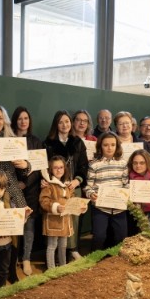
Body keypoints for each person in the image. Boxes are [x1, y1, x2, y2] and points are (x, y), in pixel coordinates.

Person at [0, 105, 31, 283]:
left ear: (5, 120)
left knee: (15, 234)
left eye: (0, 118)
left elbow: (27, 169)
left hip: (14, 192)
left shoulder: (13, 139)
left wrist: (25, 165)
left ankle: (11, 271)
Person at [44, 110, 88, 258]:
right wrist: (47, 180)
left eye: (67, 121)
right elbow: (43, 166)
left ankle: (73, 249)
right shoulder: (48, 143)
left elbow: (84, 166)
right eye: (61, 122)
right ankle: (55, 254)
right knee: (57, 219)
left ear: (71, 123)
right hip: (55, 188)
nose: (64, 125)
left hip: (73, 187)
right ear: (56, 124)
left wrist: (77, 180)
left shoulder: (78, 142)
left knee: (73, 220)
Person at [84, 132, 129, 251]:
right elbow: (88, 187)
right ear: (100, 146)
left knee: (121, 236)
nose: (109, 148)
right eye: (106, 145)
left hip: (119, 207)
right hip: (100, 207)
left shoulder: (123, 163)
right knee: (99, 236)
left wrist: (126, 194)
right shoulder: (94, 165)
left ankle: (116, 262)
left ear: (117, 146)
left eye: (113, 145)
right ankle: (94, 261)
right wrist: (91, 194)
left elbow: (126, 184)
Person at [11, 106, 42, 276]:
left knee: (29, 226)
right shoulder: (8, 140)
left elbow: (38, 168)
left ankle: (26, 258)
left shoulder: (36, 141)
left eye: (26, 118)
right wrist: (16, 185)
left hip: (31, 190)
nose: (23, 122)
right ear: (15, 120)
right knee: (14, 225)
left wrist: (25, 182)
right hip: (11, 189)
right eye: (20, 118)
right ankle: (13, 257)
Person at [39, 156, 79, 269]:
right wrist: (56, 207)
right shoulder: (49, 184)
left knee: (63, 245)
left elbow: (73, 198)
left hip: (65, 220)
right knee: (52, 246)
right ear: (51, 170)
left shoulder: (67, 185)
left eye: (61, 167)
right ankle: (51, 269)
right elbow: (44, 201)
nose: (59, 170)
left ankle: (63, 267)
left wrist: (79, 205)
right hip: (53, 221)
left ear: (65, 169)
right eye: (55, 168)